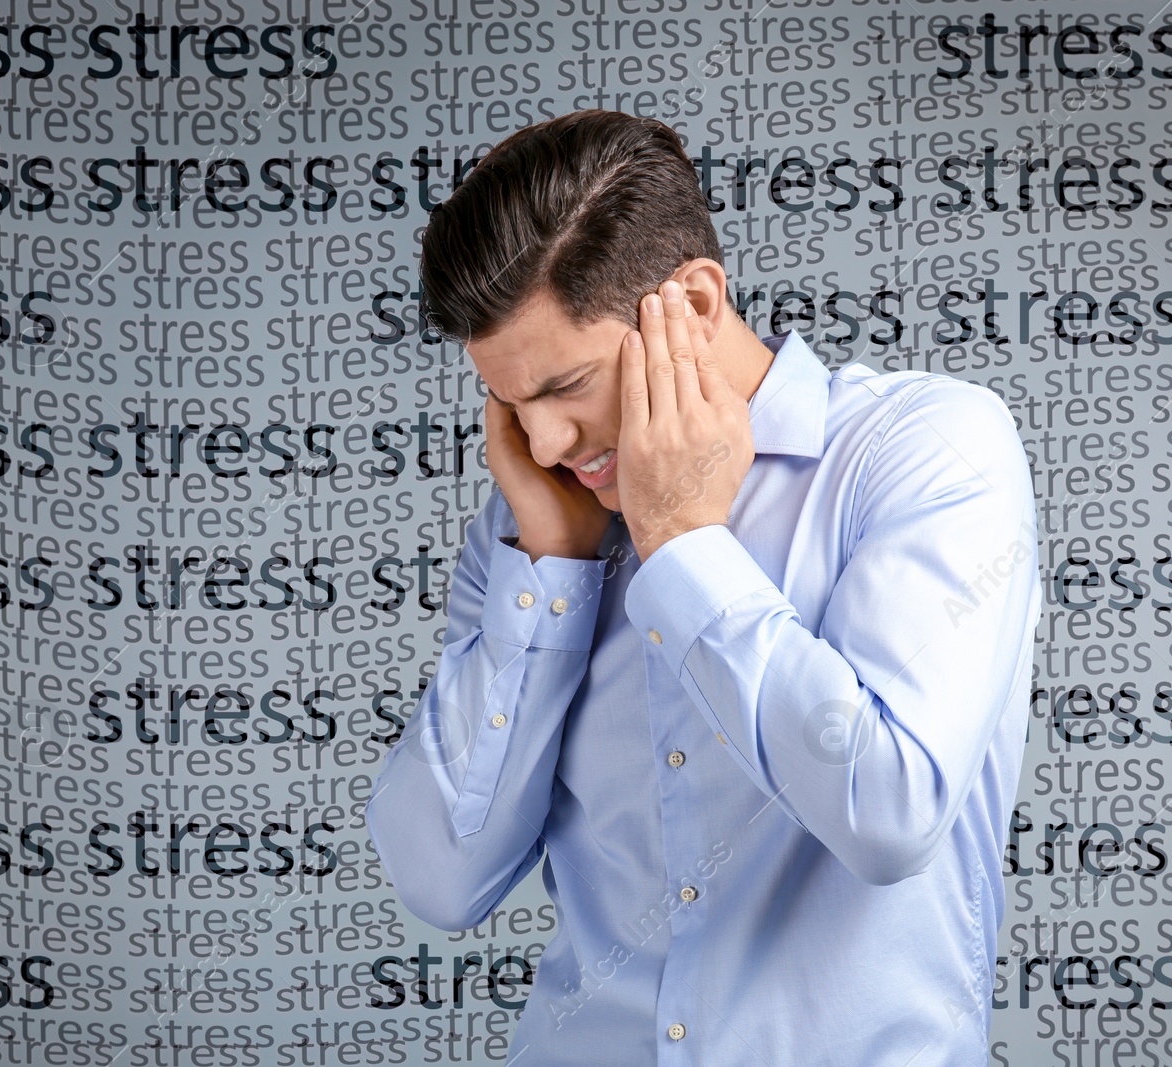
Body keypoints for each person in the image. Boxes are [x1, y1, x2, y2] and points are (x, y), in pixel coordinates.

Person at [364, 109, 1040, 1067]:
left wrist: (681, 537)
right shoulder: (534, 528)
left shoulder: (929, 452)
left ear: (692, 300)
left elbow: (889, 812)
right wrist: (550, 571)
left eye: (567, 386)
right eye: (512, 404)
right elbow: (441, 876)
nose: (545, 442)